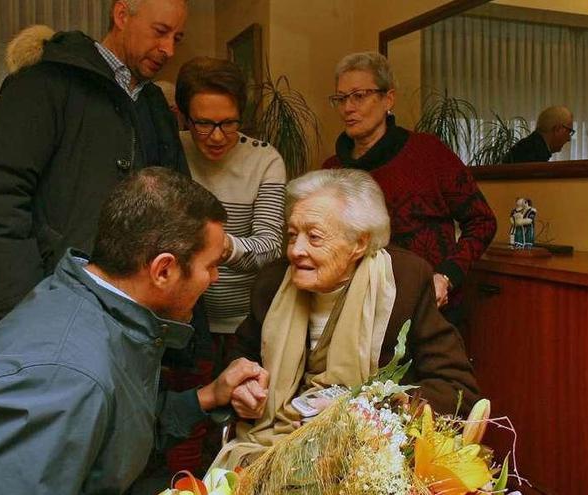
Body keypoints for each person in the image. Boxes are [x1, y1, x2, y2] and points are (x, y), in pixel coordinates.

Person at [0, 168, 270, 494]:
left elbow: (112, 431)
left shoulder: (94, 302)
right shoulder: (65, 378)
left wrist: (207, 397)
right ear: (163, 270)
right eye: (211, 266)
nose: (215, 279)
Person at [213, 169, 480, 470]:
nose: (296, 250)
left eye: (314, 237)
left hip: (367, 453)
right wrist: (242, 387)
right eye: (292, 235)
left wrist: (375, 408)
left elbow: (457, 388)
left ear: (359, 243)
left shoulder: (403, 282)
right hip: (273, 444)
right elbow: (241, 358)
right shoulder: (272, 284)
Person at [0, 0, 191, 334]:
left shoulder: (156, 106)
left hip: (128, 320)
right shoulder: (45, 79)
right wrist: (29, 308)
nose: (168, 49)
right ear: (121, 15)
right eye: (160, 32)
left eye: (177, 38)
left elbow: (175, 207)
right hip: (44, 309)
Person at [322, 51, 496, 326]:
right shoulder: (331, 171)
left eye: (359, 96)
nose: (348, 108)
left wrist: (446, 277)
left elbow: (482, 221)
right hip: (356, 316)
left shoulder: (428, 154)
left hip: (428, 310)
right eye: (341, 98)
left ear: (388, 99)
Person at [175, 56, 286, 348]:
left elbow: (270, 247)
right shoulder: (172, 150)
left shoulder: (265, 160)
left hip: (246, 324)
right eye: (203, 124)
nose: (217, 137)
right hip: (179, 320)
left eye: (228, 123)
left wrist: (220, 246)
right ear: (185, 117)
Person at [503, 106, 574, 163]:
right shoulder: (531, 154)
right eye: (569, 131)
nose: (569, 139)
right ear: (557, 129)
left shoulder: (529, 147)